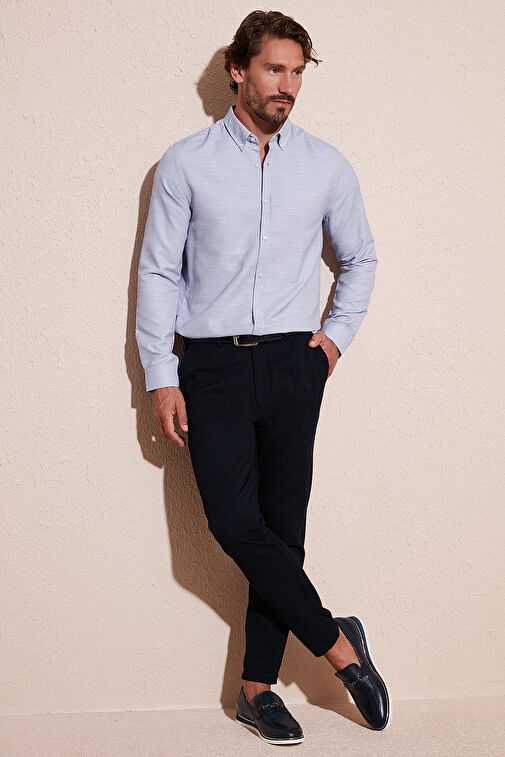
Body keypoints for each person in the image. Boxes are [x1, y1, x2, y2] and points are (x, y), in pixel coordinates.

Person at [135, 9, 389, 744]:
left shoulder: (325, 165)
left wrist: (331, 344)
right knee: (234, 522)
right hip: (211, 365)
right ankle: (338, 645)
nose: (287, 85)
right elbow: (159, 271)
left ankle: (256, 689)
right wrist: (161, 373)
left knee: (283, 530)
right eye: (274, 69)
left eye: (297, 72)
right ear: (238, 71)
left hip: (292, 364)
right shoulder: (186, 164)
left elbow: (360, 258)